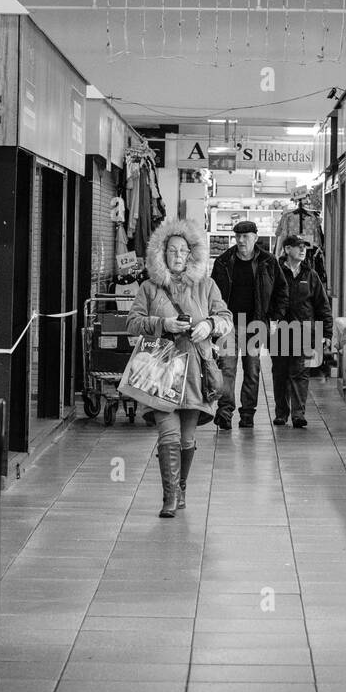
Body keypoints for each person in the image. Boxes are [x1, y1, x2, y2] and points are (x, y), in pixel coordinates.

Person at [127, 221, 232, 518]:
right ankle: (170, 497)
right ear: (162, 253)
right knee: (168, 435)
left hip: (195, 371)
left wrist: (208, 325)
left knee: (187, 440)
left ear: (191, 255)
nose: (177, 255)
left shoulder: (206, 285)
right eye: (171, 250)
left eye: (183, 251)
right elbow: (132, 323)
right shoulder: (149, 288)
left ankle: (181, 487)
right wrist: (163, 325)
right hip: (160, 371)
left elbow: (225, 317)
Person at [211, 220, 287, 429]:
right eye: (238, 236)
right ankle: (225, 412)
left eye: (245, 236)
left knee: (252, 370)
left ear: (255, 237)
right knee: (227, 369)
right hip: (228, 325)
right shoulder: (224, 261)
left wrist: (274, 318)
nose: (241, 240)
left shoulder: (268, 261)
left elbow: (282, 291)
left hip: (255, 324)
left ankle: (247, 414)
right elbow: (212, 293)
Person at [271, 236, 333, 428]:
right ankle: (281, 413)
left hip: (305, 332)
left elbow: (322, 306)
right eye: (298, 247)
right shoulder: (275, 272)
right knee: (280, 374)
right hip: (280, 331)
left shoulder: (311, 275)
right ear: (287, 249)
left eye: (304, 247)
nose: (303, 250)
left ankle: (298, 414)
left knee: (300, 373)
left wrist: (327, 334)